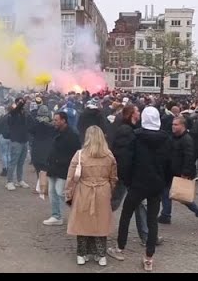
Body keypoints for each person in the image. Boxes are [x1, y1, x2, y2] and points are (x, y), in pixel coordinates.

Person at [107, 106, 170, 272]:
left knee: (126, 215)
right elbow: (170, 164)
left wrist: (128, 180)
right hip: (156, 185)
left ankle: (120, 248)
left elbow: (126, 161)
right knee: (152, 219)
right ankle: (149, 258)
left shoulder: (136, 137)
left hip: (138, 183)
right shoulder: (166, 139)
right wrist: (164, 182)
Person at [110, 104, 162, 246]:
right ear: (132, 114)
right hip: (124, 176)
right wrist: (125, 176)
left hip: (132, 177)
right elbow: (122, 155)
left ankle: (147, 236)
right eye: (137, 110)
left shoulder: (132, 129)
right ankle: (94, 227)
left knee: (140, 206)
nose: (140, 113)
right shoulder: (125, 130)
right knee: (112, 204)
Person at [65, 126, 118, 266]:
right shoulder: (109, 155)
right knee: (100, 223)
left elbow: (71, 177)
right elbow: (113, 178)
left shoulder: (80, 155)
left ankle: (81, 254)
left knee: (82, 222)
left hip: (84, 190)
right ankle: (101, 255)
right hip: (103, 191)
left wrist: (69, 194)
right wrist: (109, 191)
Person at [160, 116, 198, 229]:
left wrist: (186, 173)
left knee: (181, 196)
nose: (173, 126)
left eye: (176, 124)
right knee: (166, 192)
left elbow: (189, 157)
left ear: (183, 126)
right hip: (171, 171)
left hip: (179, 172)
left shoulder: (186, 139)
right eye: (173, 124)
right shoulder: (174, 137)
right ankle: (165, 214)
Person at [44, 111, 81, 226]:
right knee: (52, 192)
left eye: (56, 120)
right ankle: (56, 216)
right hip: (53, 167)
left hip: (64, 168)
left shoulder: (72, 135)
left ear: (63, 120)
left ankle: (78, 213)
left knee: (61, 192)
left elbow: (76, 152)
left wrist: (68, 165)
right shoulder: (55, 132)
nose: (54, 122)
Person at [6, 98, 31, 190]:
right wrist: (22, 102)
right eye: (20, 103)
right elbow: (16, 110)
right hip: (16, 140)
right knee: (13, 162)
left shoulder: (24, 113)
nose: (22, 104)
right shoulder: (13, 113)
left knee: (21, 162)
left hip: (24, 140)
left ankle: (20, 180)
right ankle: (9, 181)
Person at [29, 105, 55, 193]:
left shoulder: (36, 122)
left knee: (39, 167)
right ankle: (46, 187)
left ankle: (41, 187)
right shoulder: (52, 124)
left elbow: (31, 131)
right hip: (49, 147)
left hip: (38, 147)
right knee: (46, 168)